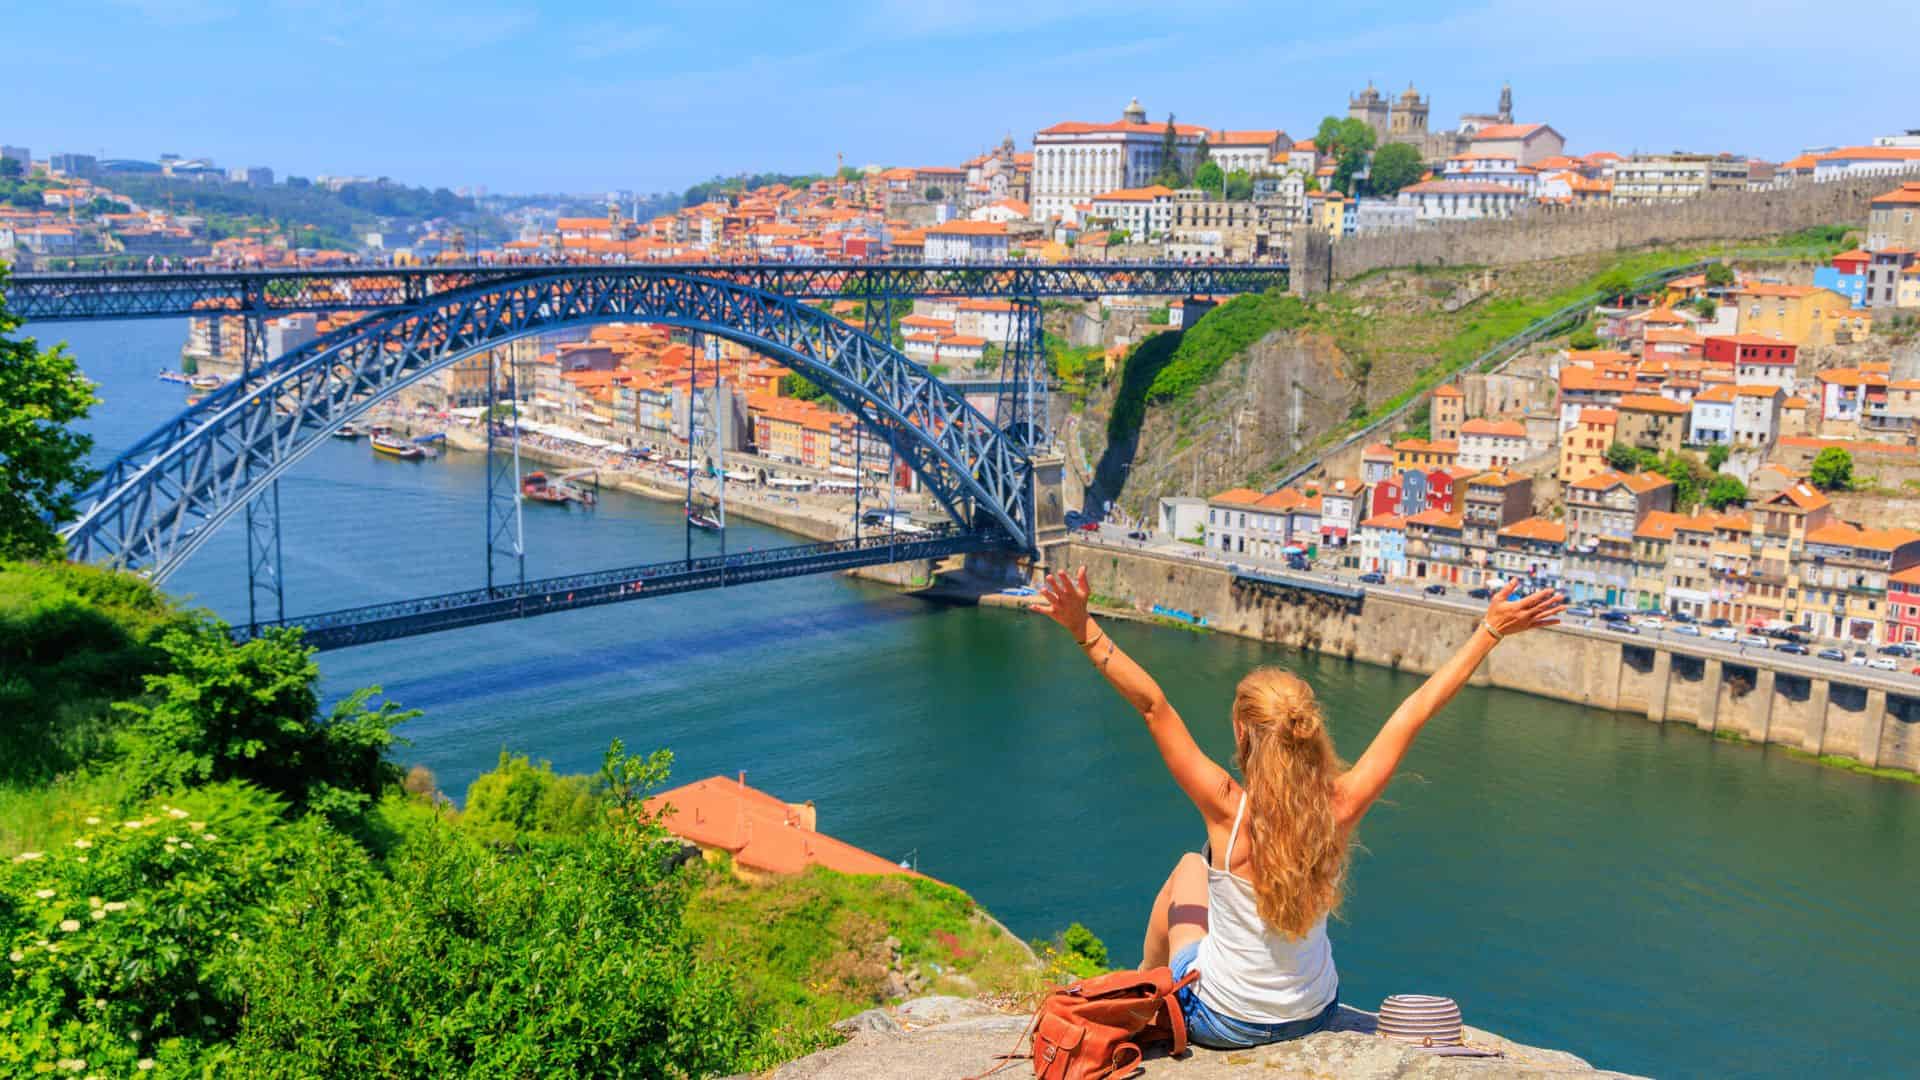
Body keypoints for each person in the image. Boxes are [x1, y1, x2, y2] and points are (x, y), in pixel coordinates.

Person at [1032, 569, 1565, 1050]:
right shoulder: (1341, 805)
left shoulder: (1227, 810)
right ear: (1308, 734)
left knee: (1189, 869)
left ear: (1242, 733)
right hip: (1314, 1013)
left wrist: (1084, 629)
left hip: (1225, 1022)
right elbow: (1415, 711)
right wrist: (1488, 631)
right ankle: (1148, 985)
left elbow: (1153, 706)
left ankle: (1143, 988)